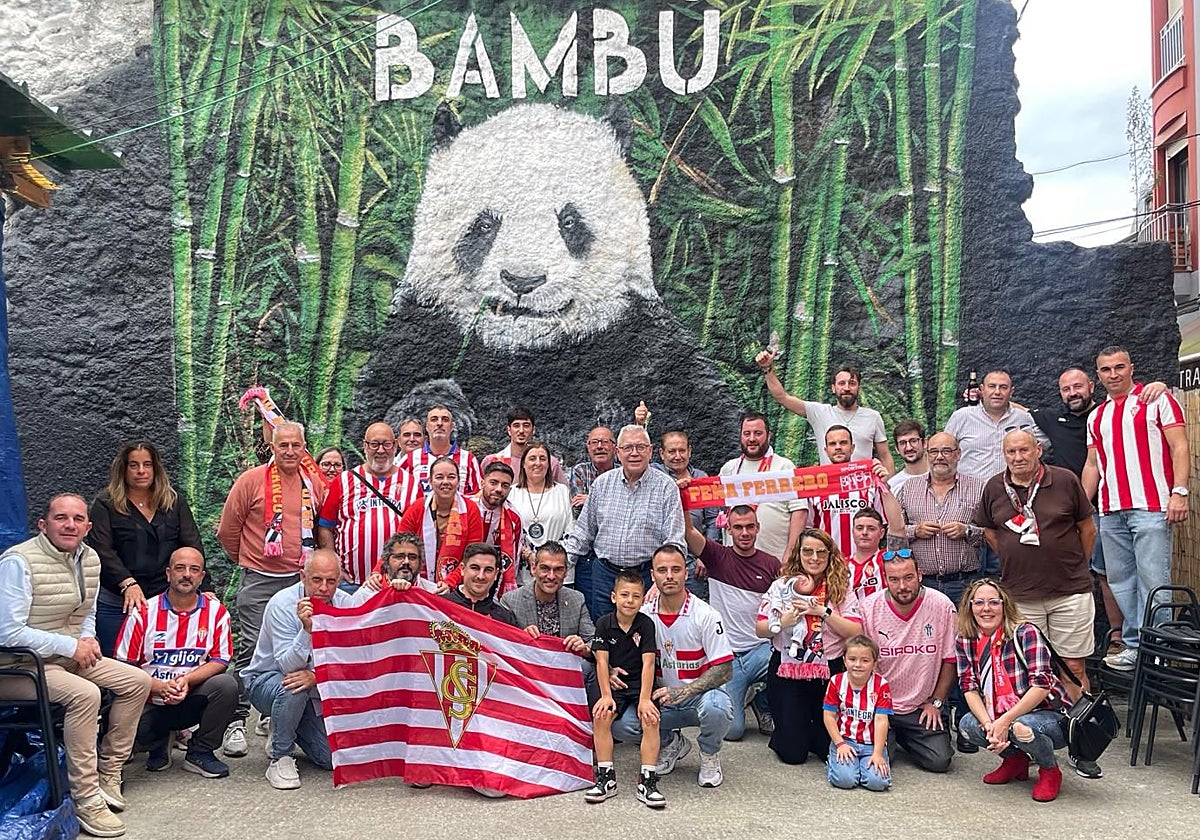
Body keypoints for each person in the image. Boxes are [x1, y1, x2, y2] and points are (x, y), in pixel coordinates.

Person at [0, 494, 153, 838]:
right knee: (85, 695)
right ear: (43, 524)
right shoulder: (18, 561)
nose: (69, 525)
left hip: (65, 656)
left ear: (88, 526)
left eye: (77, 519)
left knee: (137, 682)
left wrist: (88, 639)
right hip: (17, 667)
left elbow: (87, 613)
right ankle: (85, 799)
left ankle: (108, 773)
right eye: (60, 518)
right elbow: (8, 633)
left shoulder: (91, 559)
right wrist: (72, 645)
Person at [216, 421, 326, 759]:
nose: (290, 452)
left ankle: (274, 720)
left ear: (304, 447)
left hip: (301, 580)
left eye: (296, 445)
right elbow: (227, 532)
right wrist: (251, 560)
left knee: (298, 649)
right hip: (261, 580)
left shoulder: (313, 484)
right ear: (273, 448)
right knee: (252, 652)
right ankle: (236, 722)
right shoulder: (250, 481)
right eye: (284, 446)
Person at [1083, 346, 1190, 672]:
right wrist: (1077, 508)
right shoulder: (1096, 416)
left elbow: (1180, 446)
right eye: (1105, 369)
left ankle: (1156, 649)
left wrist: (1180, 492)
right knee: (1121, 582)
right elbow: (1093, 465)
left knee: (1154, 580)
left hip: (1151, 505)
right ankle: (1135, 645)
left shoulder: (1156, 399)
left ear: (1131, 367)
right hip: (1110, 510)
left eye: (1119, 367)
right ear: (1097, 376)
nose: (1113, 374)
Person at [977, 431, 1096, 704]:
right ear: (1004, 454)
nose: (1018, 457)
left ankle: (1081, 735)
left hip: (1070, 593)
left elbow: (1087, 530)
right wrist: (1012, 557)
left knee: (1073, 667)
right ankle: (1036, 734)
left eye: (1024, 450)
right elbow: (990, 532)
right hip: (1021, 596)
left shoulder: (1065, 480)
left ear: (1038, 450)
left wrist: (1075, 564)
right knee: (1027, 671)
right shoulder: (995, 488)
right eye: (1011, 452)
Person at [611, 545, 733, 788]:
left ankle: (709, 754)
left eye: (676, 569)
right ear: (653, 575)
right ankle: (670, 743)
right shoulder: (643, 616)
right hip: (660, 699)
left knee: (717, 708)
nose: (669, 576)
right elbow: (622, 656)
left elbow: (725, 669)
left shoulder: (706, 615)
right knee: (623, 726)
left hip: (698, 697)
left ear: (686, 573)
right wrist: (612, 670)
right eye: (662, 570)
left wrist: (685, 691)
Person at [114, 547, 237, 779]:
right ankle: (157, 743)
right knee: (134, 728)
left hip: (190, 697)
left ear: (202, 577)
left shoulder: (216, 613)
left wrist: (187, 681)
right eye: (180, 568)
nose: (186, 574)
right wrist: (158, 687)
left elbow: (220, 659)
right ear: (168, 573)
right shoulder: (143, 612)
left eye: (194, 569)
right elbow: (124, 666)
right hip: (148, 699)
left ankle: (201, 752)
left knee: (227, 685)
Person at [955, 578, 1073, 803]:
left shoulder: (1025, 632)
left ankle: (1049, 770)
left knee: (1022, 727)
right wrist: (989, 724)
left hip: (1044, 715)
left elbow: (1041, 685)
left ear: (1004, 605)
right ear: (970, 607)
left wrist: (1004, 721)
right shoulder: (965, 639)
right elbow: (968, 686)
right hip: (997, 710)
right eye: (979, 602)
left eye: (993, 602)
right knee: (968, 726)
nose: (986, 609)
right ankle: (1014, 761)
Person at [243, 549, 352, 790]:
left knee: (331, 759)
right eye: (317, 580)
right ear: (303, 576)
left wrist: (316, 676)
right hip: (267, 680)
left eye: (331, 581)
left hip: (314, 687)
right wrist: (307, 630)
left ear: (339, 579)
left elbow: (351, 661)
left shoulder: (347, 603)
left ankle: (284, 724)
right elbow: (287, 665)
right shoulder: (282, 604)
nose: (324, 588)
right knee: (294, 684)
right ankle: (279, 757)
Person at [756, 528, 862, 765]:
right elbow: (760, 628)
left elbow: (856, 631)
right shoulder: (781, 586)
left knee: (827, 750)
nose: (814, 558)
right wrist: (782, 623)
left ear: (829, 555)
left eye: (820, 552)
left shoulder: (839, 587)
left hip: (829, 670)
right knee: (793, 755)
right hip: (787, 669)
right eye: (808, 552)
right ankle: (790, 731)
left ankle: (815, 731)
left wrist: (822, 612)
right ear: (799, 554)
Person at [87, 441, 205, 656]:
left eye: (147, 464)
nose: (141, 471)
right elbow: (101, 550)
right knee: (120, 667)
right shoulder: (106, 503)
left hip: (165, 599)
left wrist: (205, 588)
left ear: (156, 468)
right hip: (119, 601)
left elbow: (192, 545)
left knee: (164, 661)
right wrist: (127, 583)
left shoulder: (173, 501)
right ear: (123, 469)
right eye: (134, 465)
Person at [566, 425, 685, 619]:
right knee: (603, 637)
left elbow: (674, 541)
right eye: (628, 448)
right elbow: (583, 533)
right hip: (605, 576)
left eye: (640, 447)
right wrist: (560, 565)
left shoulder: (666, 487)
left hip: (646, 577)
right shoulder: (602, 484)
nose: (634, 453)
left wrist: (661, 579)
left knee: (646, 640)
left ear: (651, 450)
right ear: (618, 452)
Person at [682, 504, 779, 740]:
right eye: (738, 527)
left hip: (761, 651)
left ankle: (763, 701)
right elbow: (688, 532)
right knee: (733, 732)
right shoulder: (716, 555)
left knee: (784, 660)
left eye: (749, 527)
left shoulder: (772, 564)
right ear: (729, 529)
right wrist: (683, 500)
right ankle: (747, 693)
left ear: (758, 528)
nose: (744, 533)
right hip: (728, 659)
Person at [859, 551, 957, 773]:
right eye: (894, 579)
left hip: (921, 706)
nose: (902, 586)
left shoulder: (941, 605)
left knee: (940, 761)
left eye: (908, 578)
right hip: (883, 706)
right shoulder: (869, 607)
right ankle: (893, 737)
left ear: (920, 575)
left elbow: (950, 660)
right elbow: (861, 662)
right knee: (878, 763)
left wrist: (937, 702)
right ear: (885, 580)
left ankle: (909, 737)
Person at [944, 369, 1047, 576]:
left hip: (1008, 503)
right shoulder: (962, 417)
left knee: (1003, 566)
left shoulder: (1023, 419)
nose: (997, 392)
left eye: (1003, 387)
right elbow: (945, 451)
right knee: (969, 568)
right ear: (981, 390)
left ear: (1012, 391)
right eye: (992, 386)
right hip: (968, 502)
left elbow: (1043, 444)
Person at [585, 570, 664, 808]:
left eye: (636, 596)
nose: (630, 601)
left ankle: (648, 779)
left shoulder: (646, 624)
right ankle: (606, 777)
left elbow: (649, 663)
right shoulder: (604, 624)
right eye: (625, 595)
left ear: (642, 600)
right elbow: (601, 661)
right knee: (602, 715)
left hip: (641, 683)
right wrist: (606, 695)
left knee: (650, 718)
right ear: (613, 597)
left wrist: (644, 700)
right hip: (614, 685)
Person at [755, 349, 894, 472]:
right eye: (841, 383)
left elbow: (885, 456)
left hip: (863, 492)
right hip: (829, 492)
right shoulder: (820, 413)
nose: (846, 388)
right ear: (833, 388)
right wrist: (767, 369)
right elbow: (782, 397)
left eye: (852, 383)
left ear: (859, 388)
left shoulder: (873, 417)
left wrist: (885, 486)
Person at [316, 422, 416, 590]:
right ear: (364, 446)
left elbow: (416, 533)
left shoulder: (411, 483)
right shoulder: (344, 480)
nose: (381, 450)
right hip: (350, 581)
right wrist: (335, 566)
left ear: (396, 445)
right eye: (374, 444)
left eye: (386, 444)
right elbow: (325, 526)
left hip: (395, 583)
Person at [892, 431, 986, 608]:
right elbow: (893, 534)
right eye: (934, 452)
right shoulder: (909, 488)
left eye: (946, 451)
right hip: (922, 584)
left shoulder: (977, 487)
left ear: (958, 454)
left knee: (964, 633)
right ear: (927, 455)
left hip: (965, 583)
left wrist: (967, 531)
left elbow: (991, 534)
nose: (940, 457)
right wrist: (915, 531)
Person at [717, 411, 807, 562]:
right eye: (747, 433)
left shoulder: (784, 467)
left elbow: (800, 512)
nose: (752, 439)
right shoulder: (729, 470)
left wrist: (790, 555)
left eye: (758, 433)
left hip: (776, 561)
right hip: (734, 564)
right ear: (740, 436)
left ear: (768, 436)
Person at [804, 425, 903, 559]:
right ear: (826, 450)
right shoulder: (816, 485)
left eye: (843, 443)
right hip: (828, 562)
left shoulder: (870, 480)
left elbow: (888, 523)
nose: (838, 447)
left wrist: (884, 484)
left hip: (866, 564)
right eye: (833, 444)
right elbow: (810, 528)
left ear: (852, 448)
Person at [396, 456, 485, 591]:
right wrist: (377, 573)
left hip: (458, 586)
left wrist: (450, 582)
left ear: (458, 481)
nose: (445, 482)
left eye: (451, 477)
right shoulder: (418, 508)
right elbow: (397, 545)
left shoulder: (471, 510)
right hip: (418, 584)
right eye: (439, 477)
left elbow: (473, 555)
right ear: (430, 481)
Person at [653, 428, 718, 599]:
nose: (677, 456)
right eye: (671, 451)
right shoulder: (652, 475)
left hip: (692, 562)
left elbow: (713, 521)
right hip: (655, 559)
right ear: (661, 453)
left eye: (682, 450)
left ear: (690, 451)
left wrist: (706, 555)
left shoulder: (701, 479)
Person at [822, 635, 893, 792]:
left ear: (874, 663)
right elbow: (828, 716)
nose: (858, 665)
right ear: (844, 660)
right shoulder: (836, 682)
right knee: (845, 780)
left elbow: (881, 720)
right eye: (852, 659)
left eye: (865, 660)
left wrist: (878, 753)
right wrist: (840, 744)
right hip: (845, 740)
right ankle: (836, 763)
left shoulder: (881, 685)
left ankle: (863, 766)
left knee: (878, 783)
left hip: (871, 744)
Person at [500, 542, 594, 657]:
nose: (551, 576)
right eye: (545, 568)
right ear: (533, 568)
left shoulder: (576, 599)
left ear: (566, 572)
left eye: (558, 569)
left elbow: (592, 640)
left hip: (564, 667)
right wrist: (521, 639)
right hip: (528, 668)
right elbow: (502, 645)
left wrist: (584, 648)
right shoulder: (510, 600)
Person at [509, 442, 575, 588]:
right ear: (523, 464)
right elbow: (509, 534)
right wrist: (528, 554)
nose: (537, 463)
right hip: (524, 572)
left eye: (542, 458)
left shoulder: (562, 491)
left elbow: (570, 532)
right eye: (532, 458)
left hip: (557, 571)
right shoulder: (512, 493)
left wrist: (549, 559)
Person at [568, 425, 617, 617]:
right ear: (588, 447)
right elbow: (580, 512)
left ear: (615, 447)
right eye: (594, 442)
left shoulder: (625, 470)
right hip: (589, 555)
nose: (600, 446)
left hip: (619, 555)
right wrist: (614, 504)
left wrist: (591, 499)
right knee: (595, 613)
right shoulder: (580, 471)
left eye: (605, 442)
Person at [396, 404, 482, 495]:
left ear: (452, 426)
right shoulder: (410, 459)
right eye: (434, 419)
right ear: (427, 426)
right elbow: (396, 492)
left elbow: (478, 495)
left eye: (445, 420)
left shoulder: (468, 459)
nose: (439, 423)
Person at [468, 460, 523, 596]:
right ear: (482, 483)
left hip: (494, 582)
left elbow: (513, 562)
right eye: (493, 483)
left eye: (505, 485)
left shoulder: (514, 518)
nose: (499, 489)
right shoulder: (464, 507)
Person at [440, 542, 521, 627]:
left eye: (488, 570)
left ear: (496, 574)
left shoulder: (505, 619)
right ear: (462, 569)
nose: (480, 576)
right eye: (475, 568)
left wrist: (528, 635)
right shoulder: (438, 606)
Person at [486, 406, 568, 484]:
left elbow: (564, 495)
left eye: (526, 426)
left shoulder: (549, 463)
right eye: (516, 426)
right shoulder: (492, 461)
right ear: (509, 430)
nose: (521, 430)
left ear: (533, 430)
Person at [847, 509, 886, 602]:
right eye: (859, 528)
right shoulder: (841, 566)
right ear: (853, 532)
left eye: (871, 529)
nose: (864, 532)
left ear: (882, 533)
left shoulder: (888, 558)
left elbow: (897, 527)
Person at [888, 420, 928, 494]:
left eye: (913, 441)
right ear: (897, 448)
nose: (909, 448)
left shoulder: (942, 477)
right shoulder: (892, 486)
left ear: (924, 443)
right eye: (902, 443)